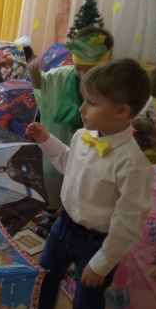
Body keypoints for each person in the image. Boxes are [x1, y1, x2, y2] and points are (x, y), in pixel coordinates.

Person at [26, 58, 153, 309]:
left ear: (121, 111)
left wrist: (103, 262)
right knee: (45, 273)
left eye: (92, 102)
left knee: (86, 302)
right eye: (84, 99)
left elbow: (128, 222)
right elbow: (69, 163)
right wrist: (46, 140)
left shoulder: (133, 165)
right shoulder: (82, 135)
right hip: (64, 224)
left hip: (97, 242)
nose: (82, 108)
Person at [29, 26, 114, 238]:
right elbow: (44, 85)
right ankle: (53, 210)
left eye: (90, 70)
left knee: (86, 176)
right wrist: (35, 75)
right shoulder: (61, 76)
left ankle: (75, 214)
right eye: (79, 69)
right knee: (54, 171)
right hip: (62, 134)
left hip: (95, 142)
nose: (83, 75)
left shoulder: (112, 87)